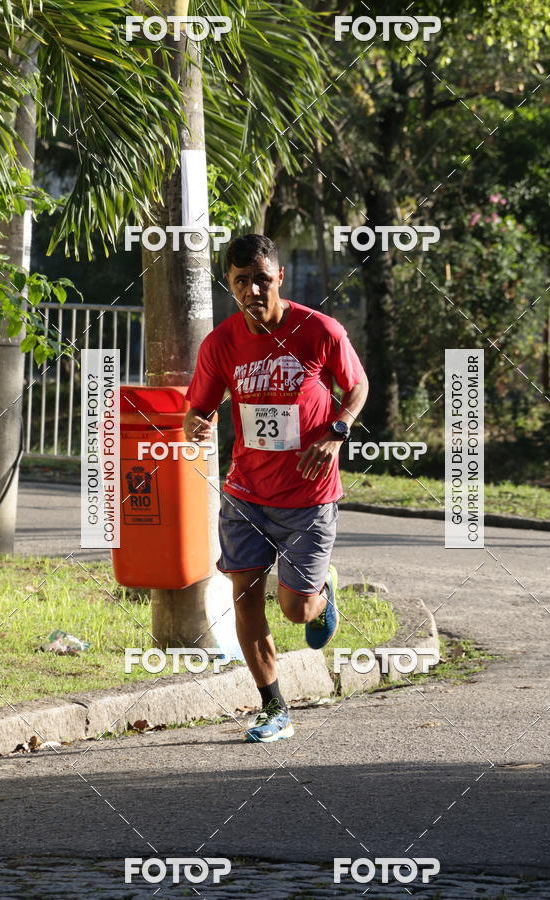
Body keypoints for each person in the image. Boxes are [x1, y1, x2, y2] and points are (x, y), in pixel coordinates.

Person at [184, 234, 368, 743]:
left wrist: (337, 432)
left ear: (279, 277)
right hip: (245, 493)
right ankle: (273, 707)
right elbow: (198, 408)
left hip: (309, 496)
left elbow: (357, 385)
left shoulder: (320, 330)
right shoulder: (220, 343)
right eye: (241, 281)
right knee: (244, 598)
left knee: (294, 610)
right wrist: (194, 424)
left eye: (262, 279)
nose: (253, 290)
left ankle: (320, 594)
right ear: (230, 284)